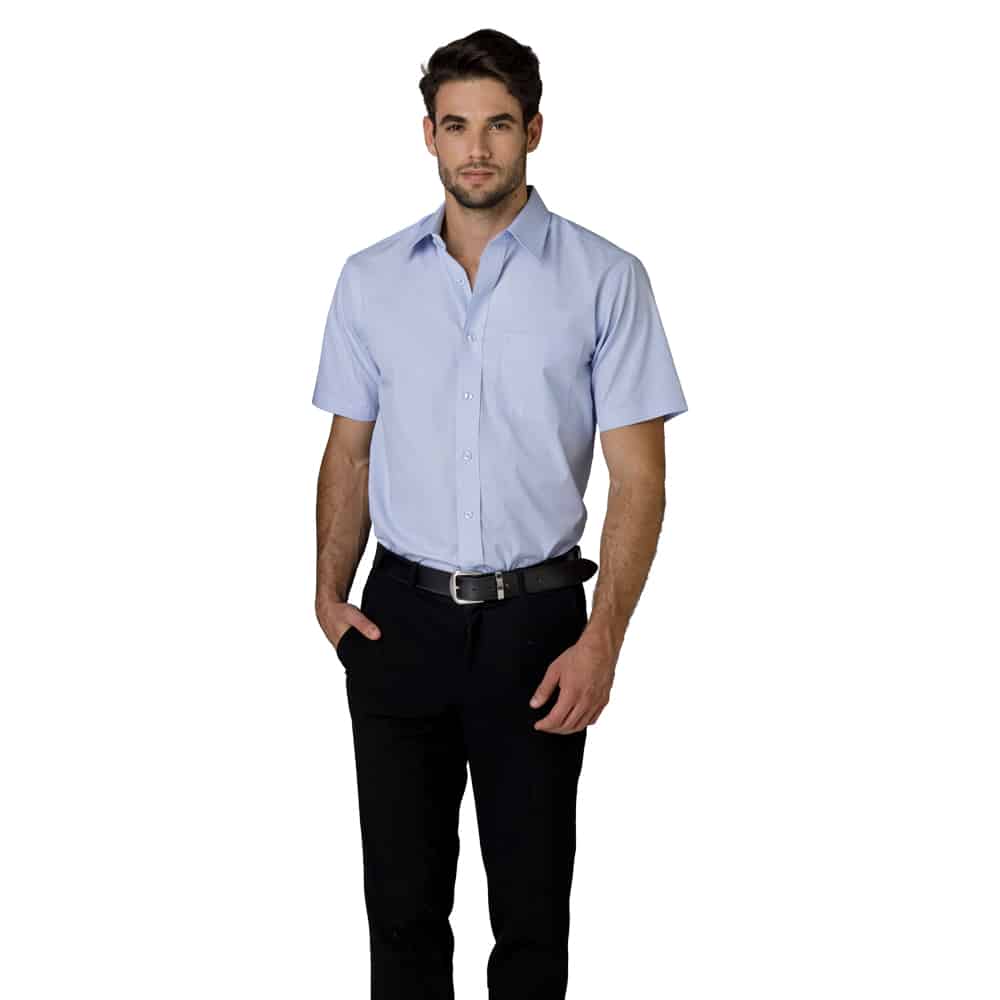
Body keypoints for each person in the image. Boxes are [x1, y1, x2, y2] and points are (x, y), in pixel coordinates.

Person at [312, 27, 688, 1000]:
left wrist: (602, 641)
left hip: (538, 630)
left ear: (534, 131)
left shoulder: (605, 277)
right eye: (456, 126)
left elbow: (639, 480)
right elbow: (349, 449)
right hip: (399, 622)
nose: (476, 148)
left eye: (498, 125)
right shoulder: (369, 280)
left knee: (530, 917)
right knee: (401, 912)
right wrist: (327, 594)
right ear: (428, 135)